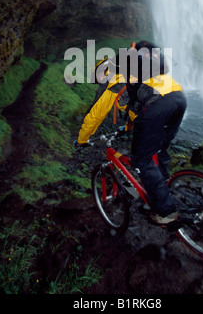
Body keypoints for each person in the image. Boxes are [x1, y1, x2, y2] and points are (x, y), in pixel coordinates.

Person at [75, 40, 187, 226]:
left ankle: (167, 212)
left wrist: (82, 140)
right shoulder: (135, 73)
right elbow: (136, 108)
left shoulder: (114, 81)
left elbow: (95, 116)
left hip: (156, 106)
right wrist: (124, 129)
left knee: (141, 159)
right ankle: (162, 189)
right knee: (159, 149)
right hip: (178, 98)